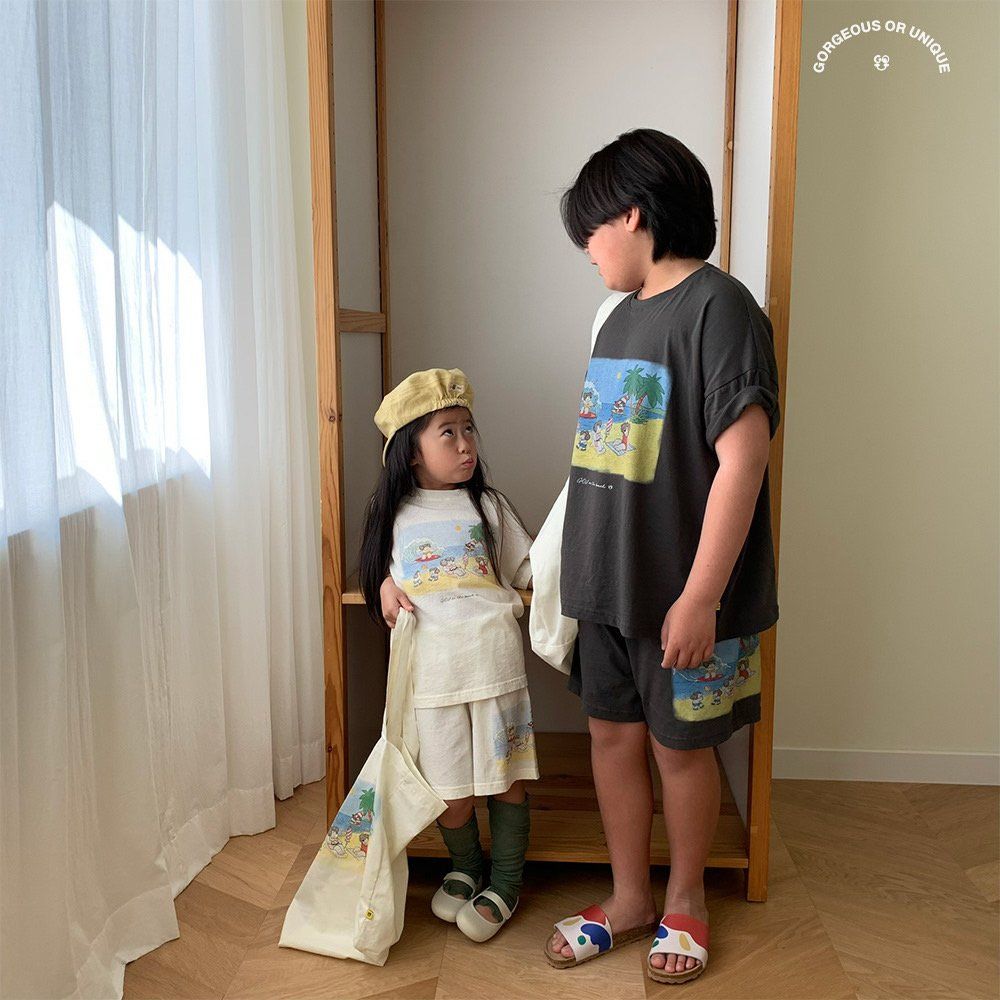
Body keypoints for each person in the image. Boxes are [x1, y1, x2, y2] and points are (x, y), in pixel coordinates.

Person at [544, 129, 781, 985]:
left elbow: (743, 461)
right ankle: (629, 896)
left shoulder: (722, 309)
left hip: (682, 592)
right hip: (607, 584)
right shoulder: (618, 319)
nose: (587, 249)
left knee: (682, 749)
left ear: (633, 216)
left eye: (591, 230)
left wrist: (701, 597)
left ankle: (685, 899)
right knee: (611, 737)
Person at [361, 368, 538, 943]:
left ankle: (505, 882)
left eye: (468, 429)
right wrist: (383, 585)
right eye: (447, 432)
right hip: (433, 677)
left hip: (494, 666)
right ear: (411, 452)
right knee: (450, 791)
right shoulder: (394, 513)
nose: (465, 444)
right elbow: (379, 571)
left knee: (505, 779)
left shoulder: (488, 506)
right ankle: (466, 867)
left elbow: (527, 568)